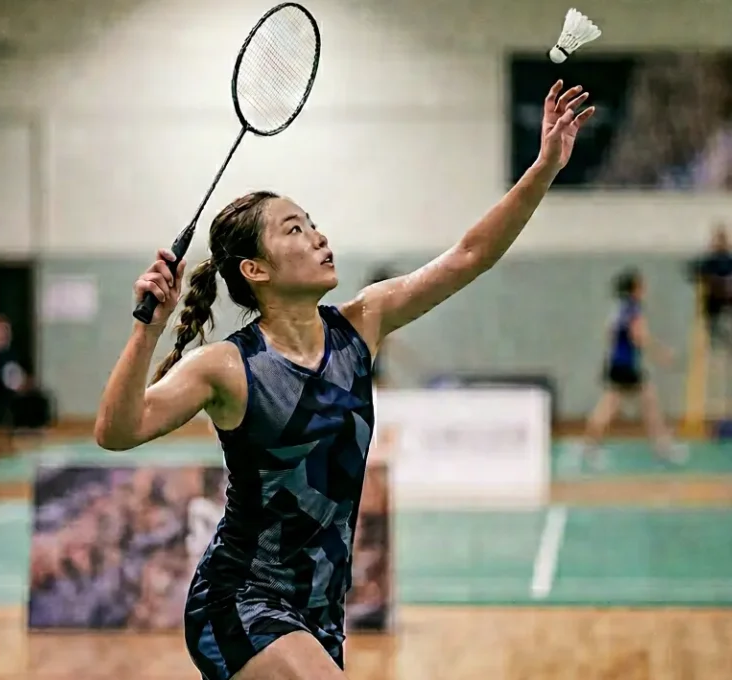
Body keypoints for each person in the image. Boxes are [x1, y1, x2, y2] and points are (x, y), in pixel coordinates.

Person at [94, 80, 595, 680]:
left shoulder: (363, 326)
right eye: (294, 230)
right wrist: (146, 331)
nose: (319, 236)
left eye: (312, 223)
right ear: (255, 270)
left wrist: (543, 168)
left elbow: (469, 255)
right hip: (241, 600)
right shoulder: (228, 366)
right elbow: (117, 432)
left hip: (323, 612)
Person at [582, 270, 685, 465]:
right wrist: (662, 353)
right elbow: (640, 337)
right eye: (641, 285)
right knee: (612, 407)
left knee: (647, 403)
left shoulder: (619, 308)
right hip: (626, 366)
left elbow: (609, 333)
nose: (644, 289)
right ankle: (662, 447)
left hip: (617, 363)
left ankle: (662, 446)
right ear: (634, 288)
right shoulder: (633, 309)